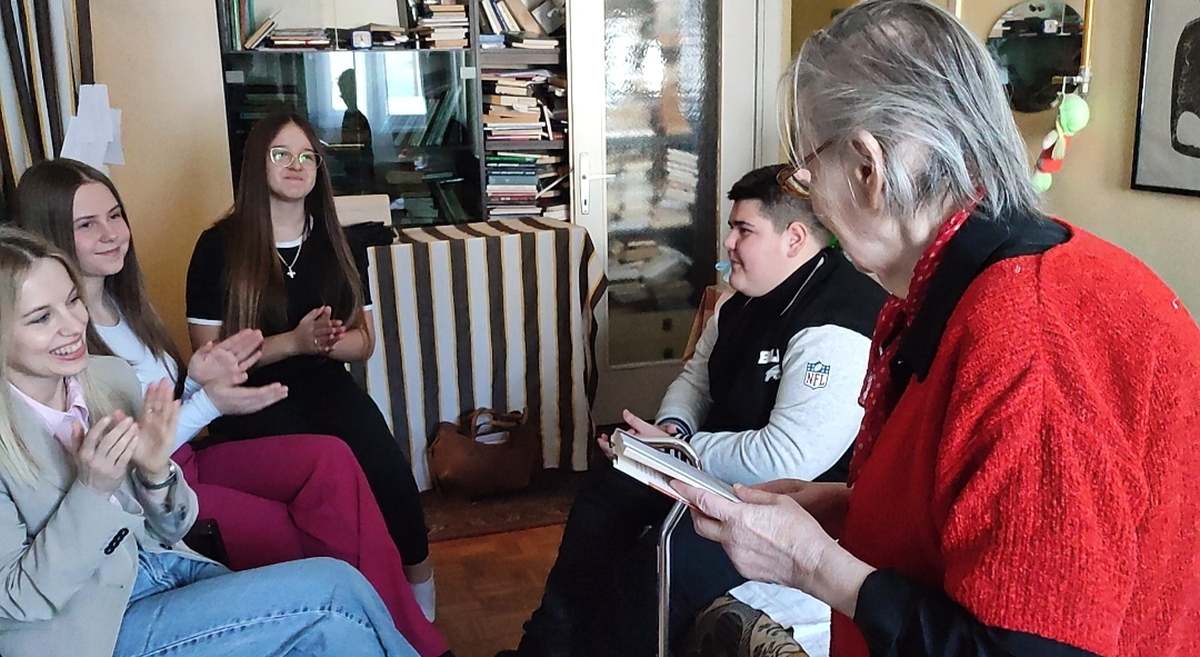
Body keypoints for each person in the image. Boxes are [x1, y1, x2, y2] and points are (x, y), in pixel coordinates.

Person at [677, 2, 1200, 657]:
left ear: (867, 167)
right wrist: (853, 506)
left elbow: (1022, 648)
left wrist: (811, 564)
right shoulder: (979, 280)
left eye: (806, 171)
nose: (810, 196)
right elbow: (985, 506)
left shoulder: (1027, 337)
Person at [12, 158, 448, 656]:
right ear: (48, 235)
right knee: (302, 542)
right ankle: (349, 626)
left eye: (115, 216)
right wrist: (207, 403)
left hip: (177, 465)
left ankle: (406, 631)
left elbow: (155, 419)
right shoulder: (65, 348)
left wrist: (199, 386)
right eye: (87, 225)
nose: (111, 234)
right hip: (155, 484)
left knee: (331, 458)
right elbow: (130, 458)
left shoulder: (123, 306)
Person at [501, 165, 885, 657]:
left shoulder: (838, 324)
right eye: (731, 227)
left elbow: (787, 458)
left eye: (743, 230)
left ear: (793, 239)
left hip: (784, 502)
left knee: (659, 563)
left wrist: (677, 450)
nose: (728, 242)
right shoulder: (741, 300)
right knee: (605, 490)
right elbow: (695, 379)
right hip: (710, 475)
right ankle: (544, 647)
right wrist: (671, 427)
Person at [184, 112, 436, 618]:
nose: (296, 165)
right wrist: (292, 343)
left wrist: (326, 343)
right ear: (256, 164)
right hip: (250, 397)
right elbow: (207, 362)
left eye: (307, 156)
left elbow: (364, 343)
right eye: (281, 154)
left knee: (389, 471)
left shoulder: (337, 241)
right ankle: (342, 604)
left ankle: (419, 602)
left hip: (325, 384)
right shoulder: (218, 247)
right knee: (324, 488)